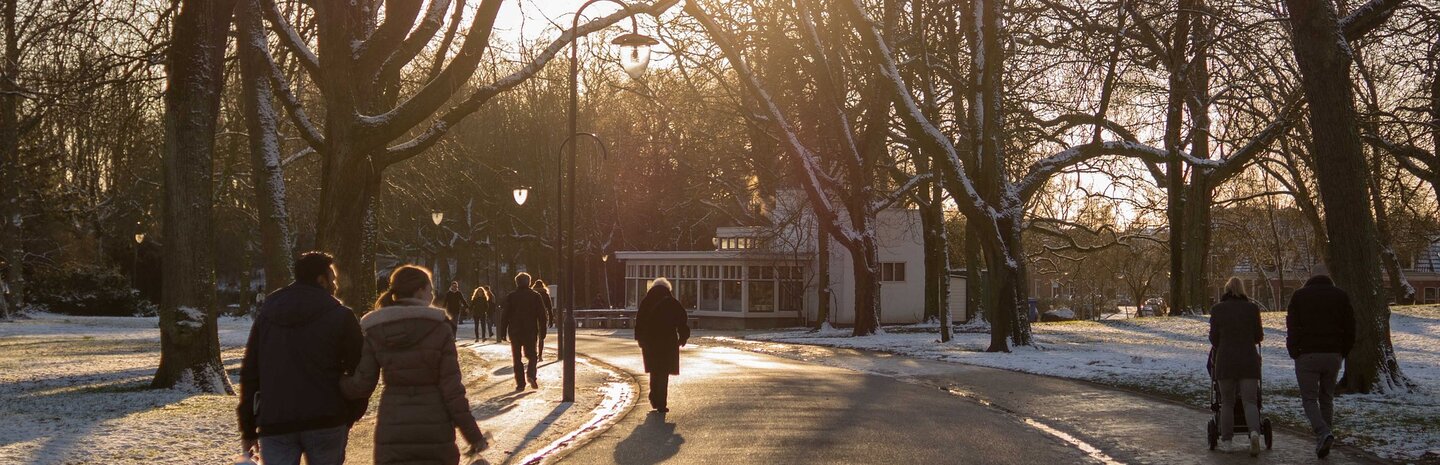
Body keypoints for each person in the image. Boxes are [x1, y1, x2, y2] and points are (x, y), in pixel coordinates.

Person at [341, 265, 487, 464]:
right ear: (419, 291)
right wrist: (474, 436)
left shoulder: (376, 329)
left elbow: (362, 384)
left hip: (392, 426)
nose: (432, 295)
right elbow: (452, 391)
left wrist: (336, 380)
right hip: (435, 429)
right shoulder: (440, 328)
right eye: (430, 290)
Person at [237, 252, 364, 465]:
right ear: (321, 280)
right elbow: (359, 369)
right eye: (332, 279)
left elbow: (251, 371)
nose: (335, 285)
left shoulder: (268, 313)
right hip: (327, 417)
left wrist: (248, 427)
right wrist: (350, 413)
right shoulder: (341, 316)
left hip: (276, 420)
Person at [1286, 265, 1355, 458]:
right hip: (1333, 354)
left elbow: (1292, 326)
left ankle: (1323, 432)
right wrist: (1343, 351)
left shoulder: (1299, 297)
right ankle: (1325, 438)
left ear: (1311, 277)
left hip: (1307, 354)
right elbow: (1350, 327)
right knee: (1327, 397)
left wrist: (1294, 350)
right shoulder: (1341, 296)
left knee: (1309, 398)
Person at [1209, 277, 1264, 456]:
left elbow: (1214, 339)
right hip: (1248, 359)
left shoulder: (1218, 309)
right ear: (1243, 290)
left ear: (1226, 290)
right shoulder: (1252, 309)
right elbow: (1258, 336)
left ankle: (1227, 441)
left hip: (1226, 361)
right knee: (1250, 401)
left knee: (1227, 402)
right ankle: (1254, 432)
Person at [634, 277, 690, 413]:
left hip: (650, 341)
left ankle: (654, 396)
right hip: (667, 341)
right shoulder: (672, 302)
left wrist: (640, 339)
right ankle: (661, 403)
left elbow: (639, 321)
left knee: (654, 370)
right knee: (664, 372)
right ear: (668, 289)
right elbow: (682, 320)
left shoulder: (646, 302)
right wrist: (682, 338)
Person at [499, 272, 548, 390]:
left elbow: (505, 315)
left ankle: (520, 384)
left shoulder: (511, 296)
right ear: (529, 282)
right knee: (532, 355)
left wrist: (502, 331)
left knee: (517, 358)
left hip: (515, 331)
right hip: (530, 330)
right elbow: (542, 315)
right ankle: (531, 374)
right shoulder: (535, 296)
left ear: (517, 282)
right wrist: (543, 330)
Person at [533, 279, 553, 359]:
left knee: (533, 336)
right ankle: (540, 355)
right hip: (543, 317)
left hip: (533, 317)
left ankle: (534, 353)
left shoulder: (533, 294)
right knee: (541, 336)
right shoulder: (545, 294)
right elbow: (549, 308)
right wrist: (551, 319)